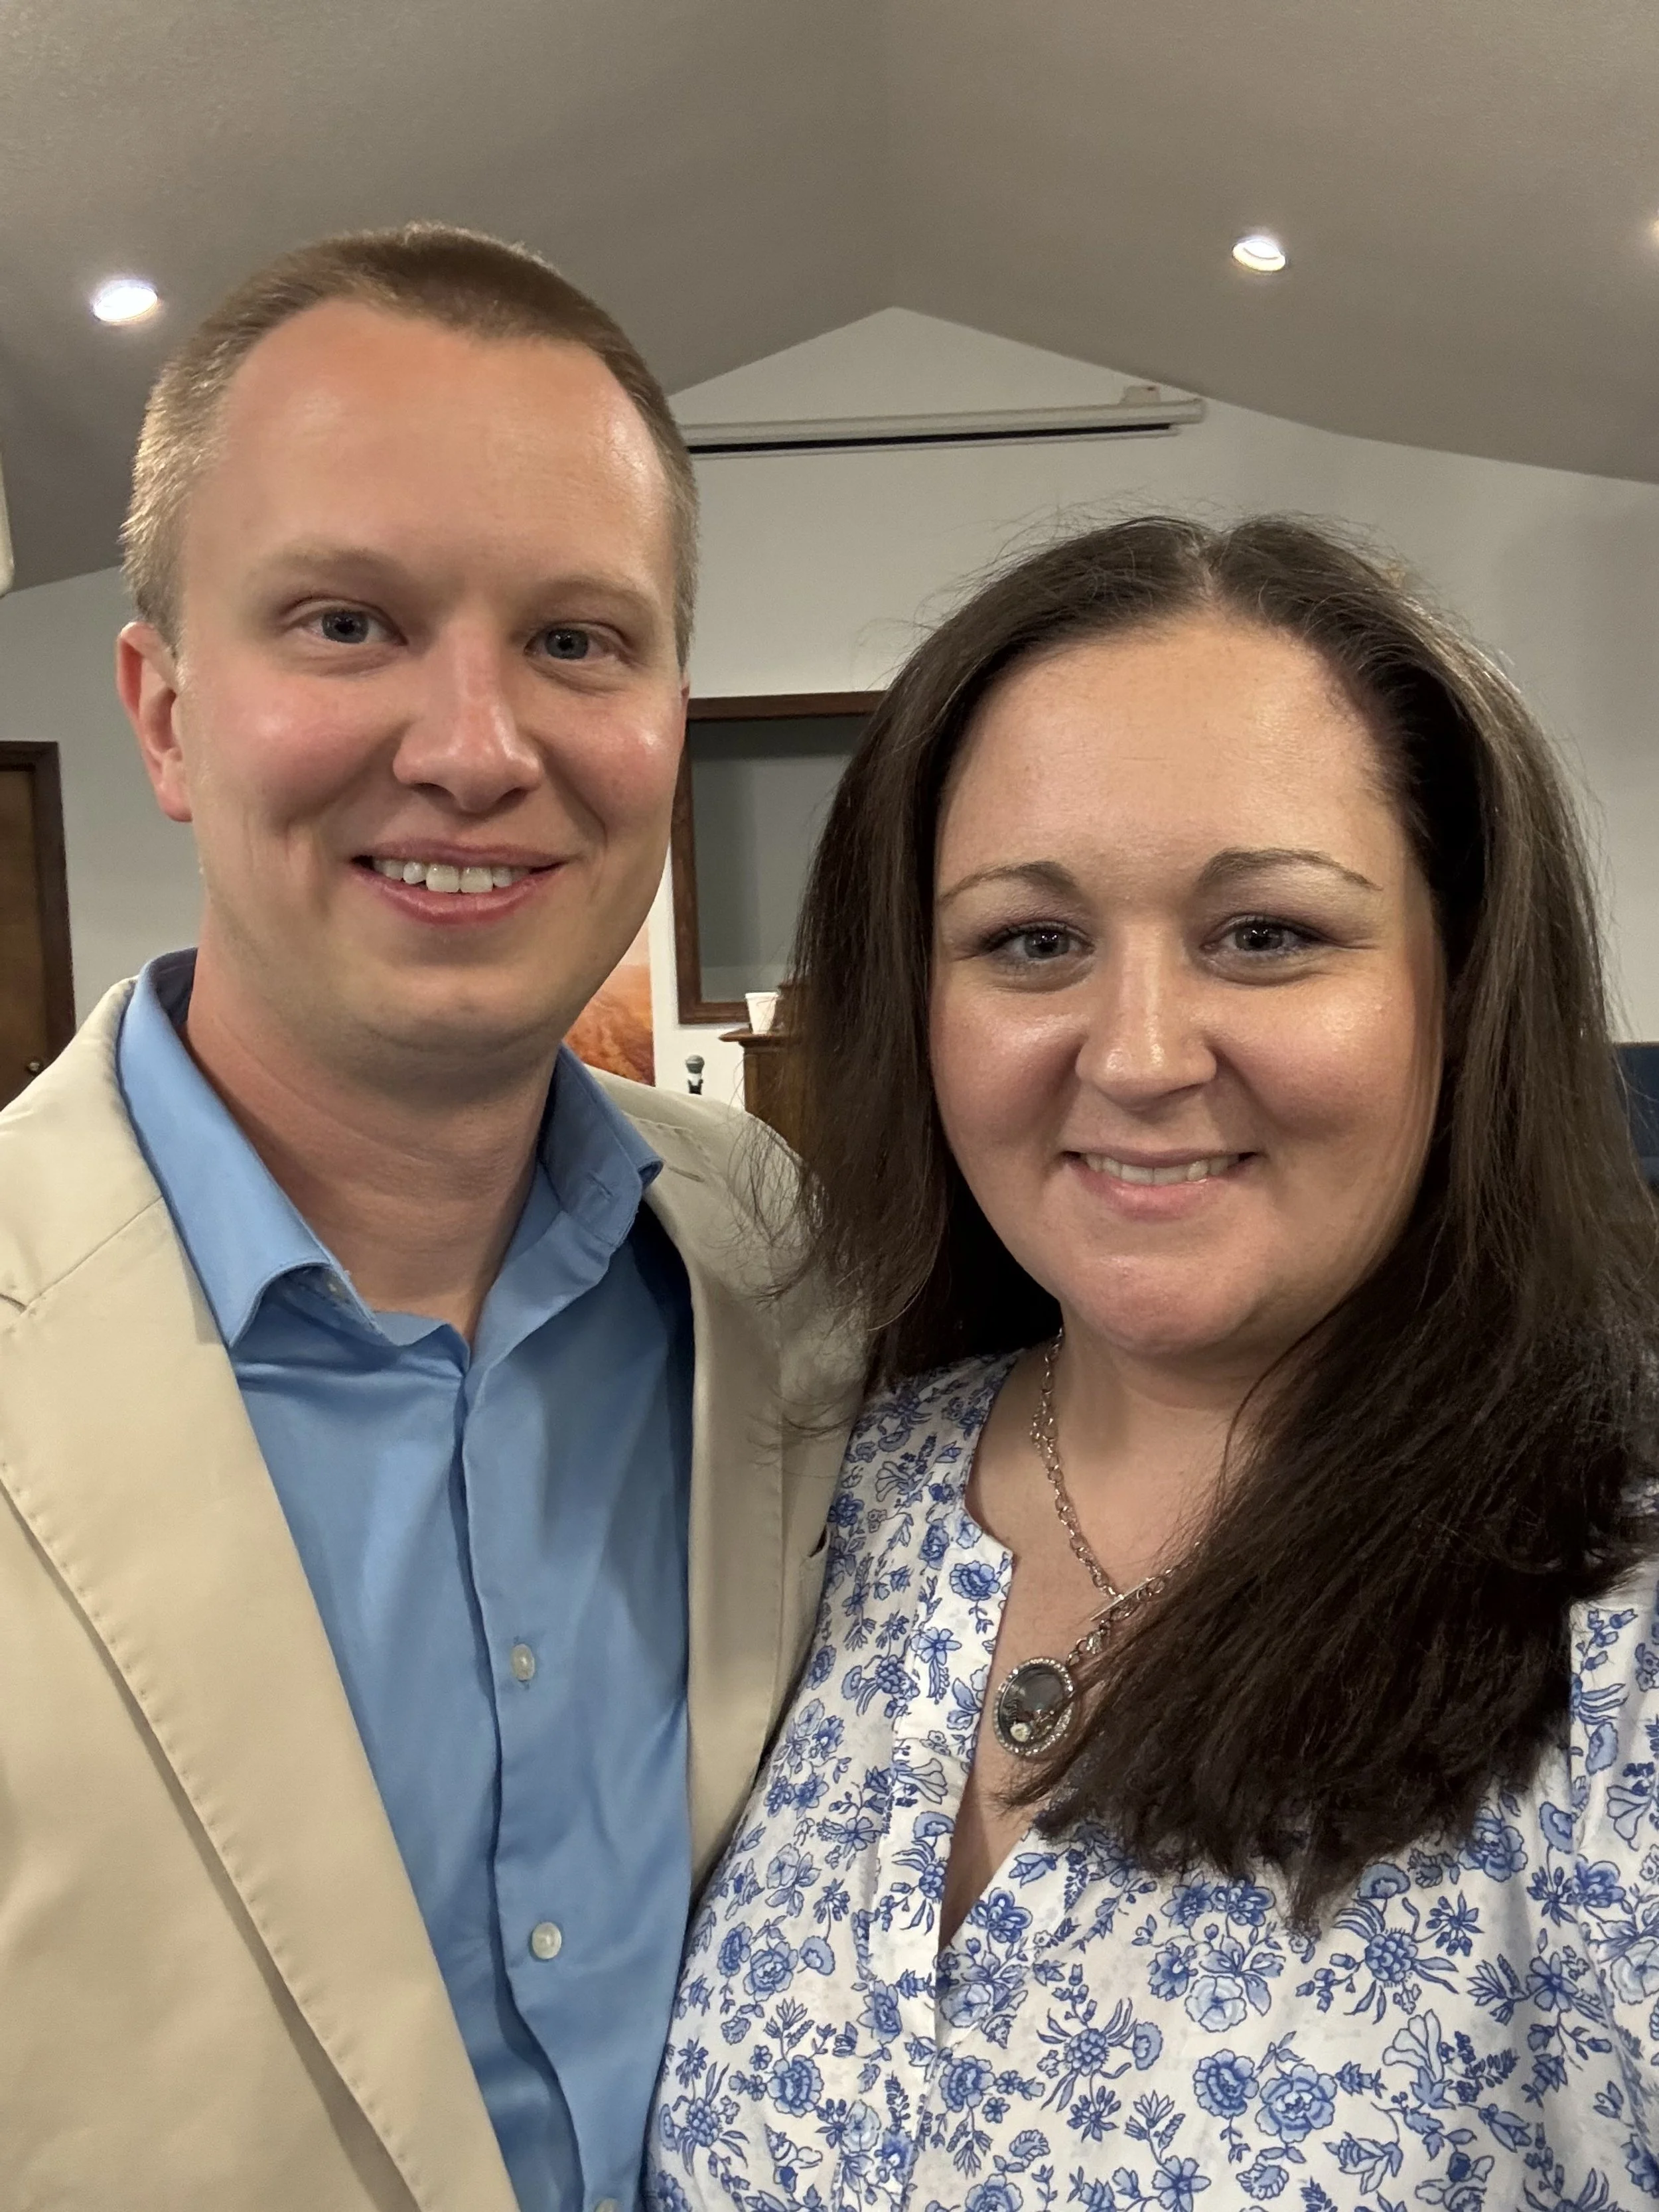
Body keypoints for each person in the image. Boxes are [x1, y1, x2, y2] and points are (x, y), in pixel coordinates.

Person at [648, 516, 1659, 2212]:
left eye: (1262, 933)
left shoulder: (1607, 1604)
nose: (1132, 1056)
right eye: (1029, 943)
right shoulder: (837, 1483)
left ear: (1460, 980)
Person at [0, 226, 856, 2212]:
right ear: (162, 714)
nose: (477, 747)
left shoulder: (799, 1261)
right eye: (347, 622)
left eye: (575, 638)